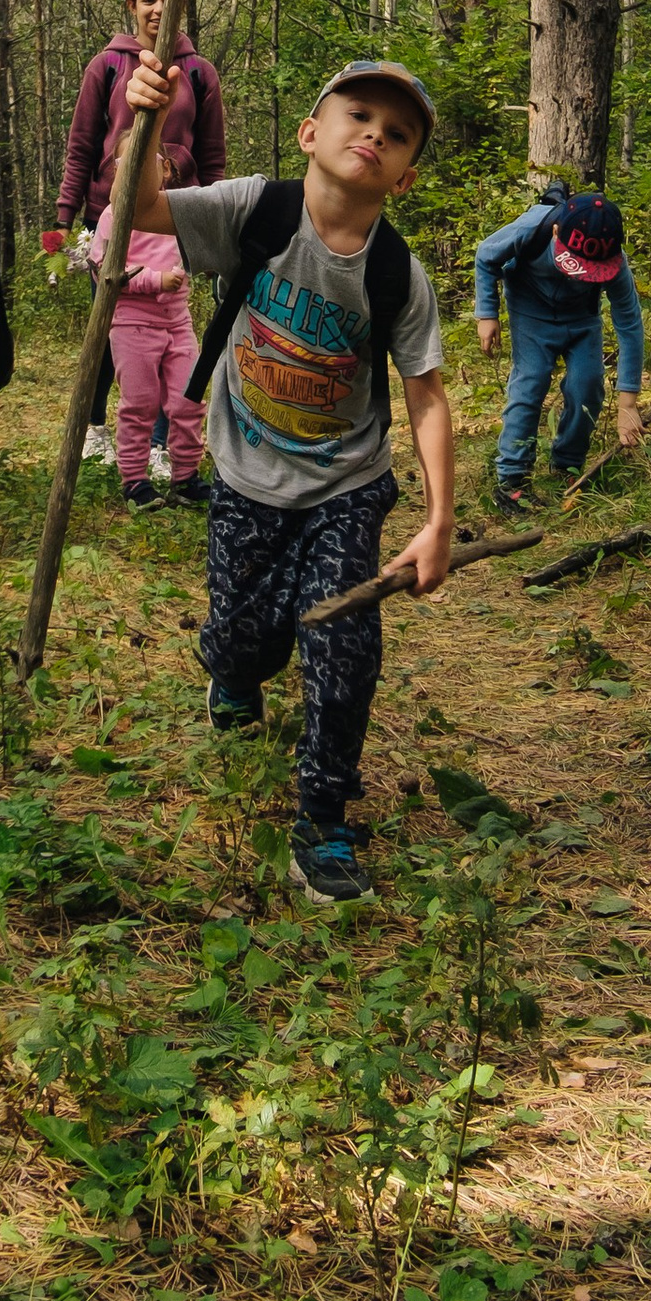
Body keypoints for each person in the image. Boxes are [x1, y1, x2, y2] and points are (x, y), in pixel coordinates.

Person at [126, 51, 453, 907]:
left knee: (340, 639)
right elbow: (140, 207)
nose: (374, 137)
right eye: (359, 119)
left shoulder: (398, 274)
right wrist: (148, 118)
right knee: (246, 638)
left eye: (397, 133)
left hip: (348, 483)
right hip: (244, 473)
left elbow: (425, 395)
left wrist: (439, 519)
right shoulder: (256, 209)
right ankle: (229, 674)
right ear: (312, 134)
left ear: (407, 173)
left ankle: (324, 818)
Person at [45, 0, 228, 466]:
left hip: (177, 222)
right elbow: (82, 147)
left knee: (172, 332)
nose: (157, 8)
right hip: (110, 220)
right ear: (133, 7)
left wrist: (212, 224)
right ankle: (98, 427)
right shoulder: (107, 65)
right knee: (113, 327)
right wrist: (66, 217)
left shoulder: (198, 72)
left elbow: (212, 156)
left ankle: (161, 442)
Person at [474, 186, 647, 507]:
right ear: (556, 232)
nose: (582, 273)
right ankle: (513, 476)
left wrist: (628, 404)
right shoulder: (532, 229)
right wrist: (487, 313)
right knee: (530, 382)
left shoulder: (615, 261)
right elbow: (486, 256)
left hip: (582, 319)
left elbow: (630, 325)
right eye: (576, 262)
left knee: (588, 385)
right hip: (530, 311)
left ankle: (567, 463)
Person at [73, 207, 209, 510]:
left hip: (177, 321)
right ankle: (135, 480)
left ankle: (185, 477)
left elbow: (199, 249)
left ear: (166, 169)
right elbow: (104, 271)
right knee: (140, 403)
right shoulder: (114, 215)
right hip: (132, 324)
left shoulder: (174, 209)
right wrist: (155, 280)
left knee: (190, 399)